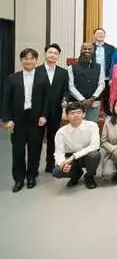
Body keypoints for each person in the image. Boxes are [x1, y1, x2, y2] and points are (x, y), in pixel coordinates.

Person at [3, 48, 49, 192]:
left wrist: (44, 115)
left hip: (36, 119)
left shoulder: (43, 77)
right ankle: (18, 179)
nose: (28, 61)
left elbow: (47, 99)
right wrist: (7, 119)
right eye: (25, 58)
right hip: (18, 119)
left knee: (35, 150)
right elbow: (6, 100)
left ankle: (31, 176)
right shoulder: (12, 78)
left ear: (36, 60)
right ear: (21, 60)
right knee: (18, 150)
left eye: (31, 58)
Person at [52, 102, 101, 189]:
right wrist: (62, 163)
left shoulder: (92, 126)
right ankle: (76, 174)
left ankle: (89, 176)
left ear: (84, 114)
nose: (75, 115)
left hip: (86, 156)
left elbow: (95, 145)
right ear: (67, 116)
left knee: (94, 155)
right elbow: (59, 152)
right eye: (72, 113)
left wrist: (74, 156)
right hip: (71, 157)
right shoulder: (61, 132)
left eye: (78, 112)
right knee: (57, 171)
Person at [37, 43, 69, 172]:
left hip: (56, 110)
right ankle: (34, 167)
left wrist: (65, 99)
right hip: (38, 112)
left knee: (53, 139)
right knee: (37, 140)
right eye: (50, 52)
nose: (52, 55)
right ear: (45, 54)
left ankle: (50, 165)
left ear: (58, 56)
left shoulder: (63, 72)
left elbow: (66, 91)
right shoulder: (36, 71)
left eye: (56, 53)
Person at [68, 42, 105, 122]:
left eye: (89, 49)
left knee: (92, 126)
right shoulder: (71, 67)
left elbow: (101, 84)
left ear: (93, 51)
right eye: (85, 49)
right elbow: (70, 86)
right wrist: (82, 100)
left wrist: (92, 98)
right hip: (76, 104)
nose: (87, 51)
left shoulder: (99, 67)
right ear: (81, 50)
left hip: (94, 104)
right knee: (76, 126)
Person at [92, 28, 115, 115]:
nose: (100, 35)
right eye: (98, 33)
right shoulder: (90, 47)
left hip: (106, 76)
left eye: (102, 33)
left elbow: (113, 63)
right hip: (93, 76)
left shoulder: (111, 48)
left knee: (106, 97)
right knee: (95, 96)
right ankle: (95, 114)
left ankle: (107, 114)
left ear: (105, 35)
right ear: (94, 35)